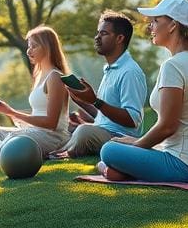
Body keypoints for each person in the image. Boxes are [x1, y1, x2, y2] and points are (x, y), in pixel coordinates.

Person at [98, 0, 188, 183]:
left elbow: (167, 126)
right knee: (121, 149)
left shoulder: (173, 66)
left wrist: (136, 144)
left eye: (156, 21)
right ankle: (120, 171)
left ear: (173, 25)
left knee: (108, 150)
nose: (150, 26)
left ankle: (116, 170)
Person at [0, 25, 70, 161]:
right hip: (35, 131)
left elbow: (51, 123)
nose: (29, 51)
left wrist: (13, 112)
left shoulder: (55, 77)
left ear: (47, 47)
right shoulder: (40, 75)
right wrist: (14, 116)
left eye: (33, 46)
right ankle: (2, 151)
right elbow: (39, 114)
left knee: (14, 138)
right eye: (29, 46)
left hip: (53, 137)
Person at [61, 10, 147, 158]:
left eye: (104, 34)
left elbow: (133, 120)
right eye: (98, 33)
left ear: (120, 38)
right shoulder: (110, 69)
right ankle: (64, 148)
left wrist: (95, 100)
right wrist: (83, 100)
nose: (97, 37)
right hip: (102, 131)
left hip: (119, 138)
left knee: (83, 131)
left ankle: (64, 152)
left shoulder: (130, 72)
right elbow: (104, 117)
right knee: (68, 128)